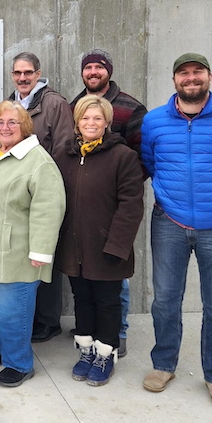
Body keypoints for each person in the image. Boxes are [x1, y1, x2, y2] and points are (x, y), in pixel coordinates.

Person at [141, 53, 212, 410]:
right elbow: (150, 162)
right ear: (174, 80)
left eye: (197, 73)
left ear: (209, 76)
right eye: (183, 74)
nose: (191, 79)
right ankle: (164, 365)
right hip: (169, 224)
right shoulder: (154, 121)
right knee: (164, 301)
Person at [0, 101, 65, 387]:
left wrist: (41, 251)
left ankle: (19, 363)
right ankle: (0, 348)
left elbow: (49, 208)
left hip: (14, 252)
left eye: (12, 123)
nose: (5, 128)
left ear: (25, 127)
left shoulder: (38, 161)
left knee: (11, 312)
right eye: (0, 123)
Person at [53, 95, 144, 386]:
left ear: (106, 122)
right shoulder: (65, 156)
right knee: (82, 299)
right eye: (85, 118)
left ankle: (106, 352)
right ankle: (87, 350)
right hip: (74, 246)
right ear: (77, 123)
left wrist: (117, 244)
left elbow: (131, 204)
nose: (90, 123)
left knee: (106, 302)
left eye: (97, 118)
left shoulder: (123, 156)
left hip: (107, 247)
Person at [70, 48, 148, 358]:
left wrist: (110, 187)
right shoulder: (75, 105)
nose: (93, 72)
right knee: (86, 292)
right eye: (87, 67)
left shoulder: (131, 108)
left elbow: (142, 159)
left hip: (111, 211)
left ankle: (116, 335)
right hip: (81, 222)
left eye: (98, 68)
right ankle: (90, 339)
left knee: (112, 287)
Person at [7, 51, 72, 343]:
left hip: (42, 188)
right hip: (18, 191)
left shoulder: (54, 103)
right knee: (24, 256)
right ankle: (29, 317)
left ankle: (48, 320)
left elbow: (63, 146)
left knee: (43, 255)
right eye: (18, 73)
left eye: (28, 73)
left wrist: (45, 183)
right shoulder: (10, 103)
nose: (23, 78)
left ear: (38, 73)